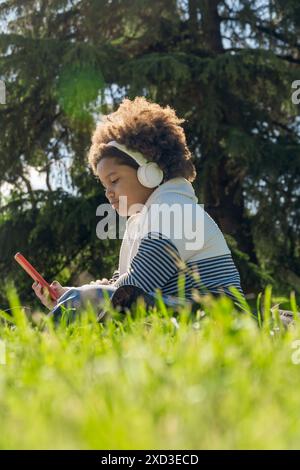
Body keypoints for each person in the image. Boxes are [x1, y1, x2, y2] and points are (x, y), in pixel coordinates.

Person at [32, 96, 245, 323]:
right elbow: (120, 285)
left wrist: (79, 297)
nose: (108, 193)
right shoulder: (145, 218)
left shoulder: (174, 210)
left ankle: (41, 348)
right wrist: (68, 296)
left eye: (114, 180)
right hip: (188, 313)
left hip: (218, 316)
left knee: (114, 299)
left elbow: (138, 285)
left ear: (149, 172)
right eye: (105, 185)